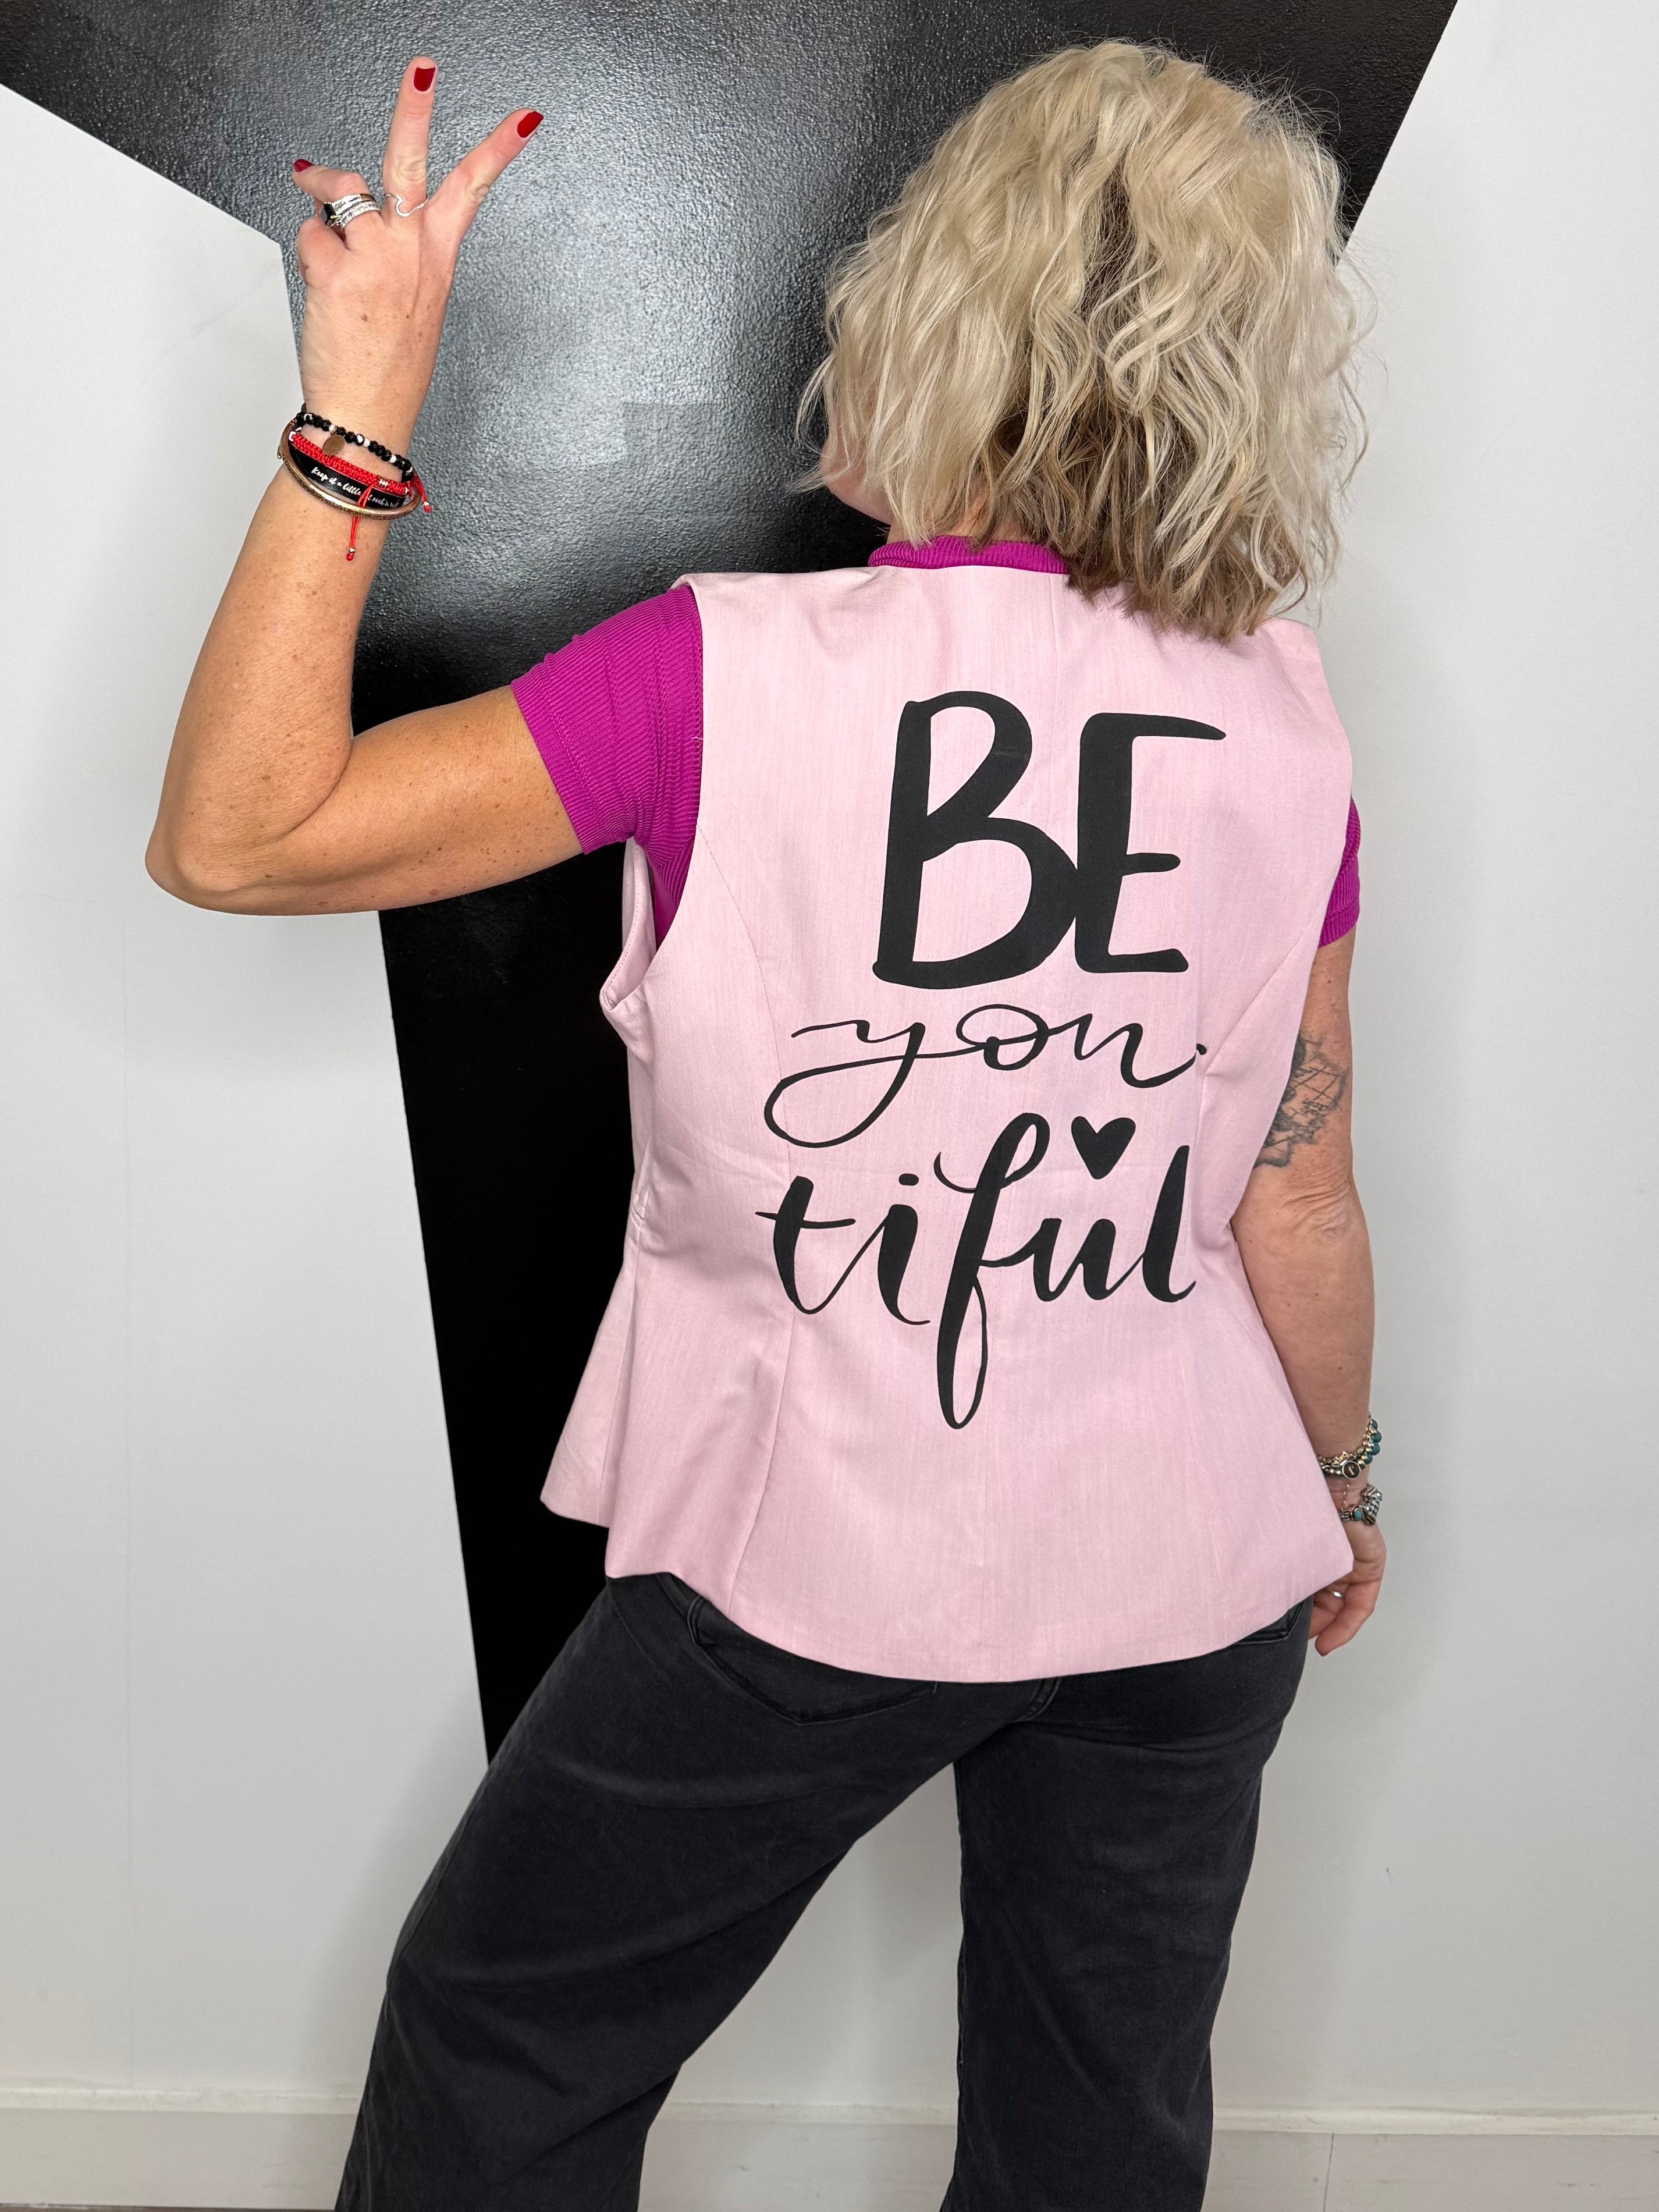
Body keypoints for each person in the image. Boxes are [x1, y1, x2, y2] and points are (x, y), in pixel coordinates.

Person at [148, 38, 1386, 2212]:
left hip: (816, 1545)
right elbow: (1295, 1169)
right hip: (1191, 1560)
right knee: (1096, 2131)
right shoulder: (1282, 713)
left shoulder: (722, 671)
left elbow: (244, 838)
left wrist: (360, 406)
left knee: (504, 2043)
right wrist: (1344, 1481)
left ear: (923, 302)